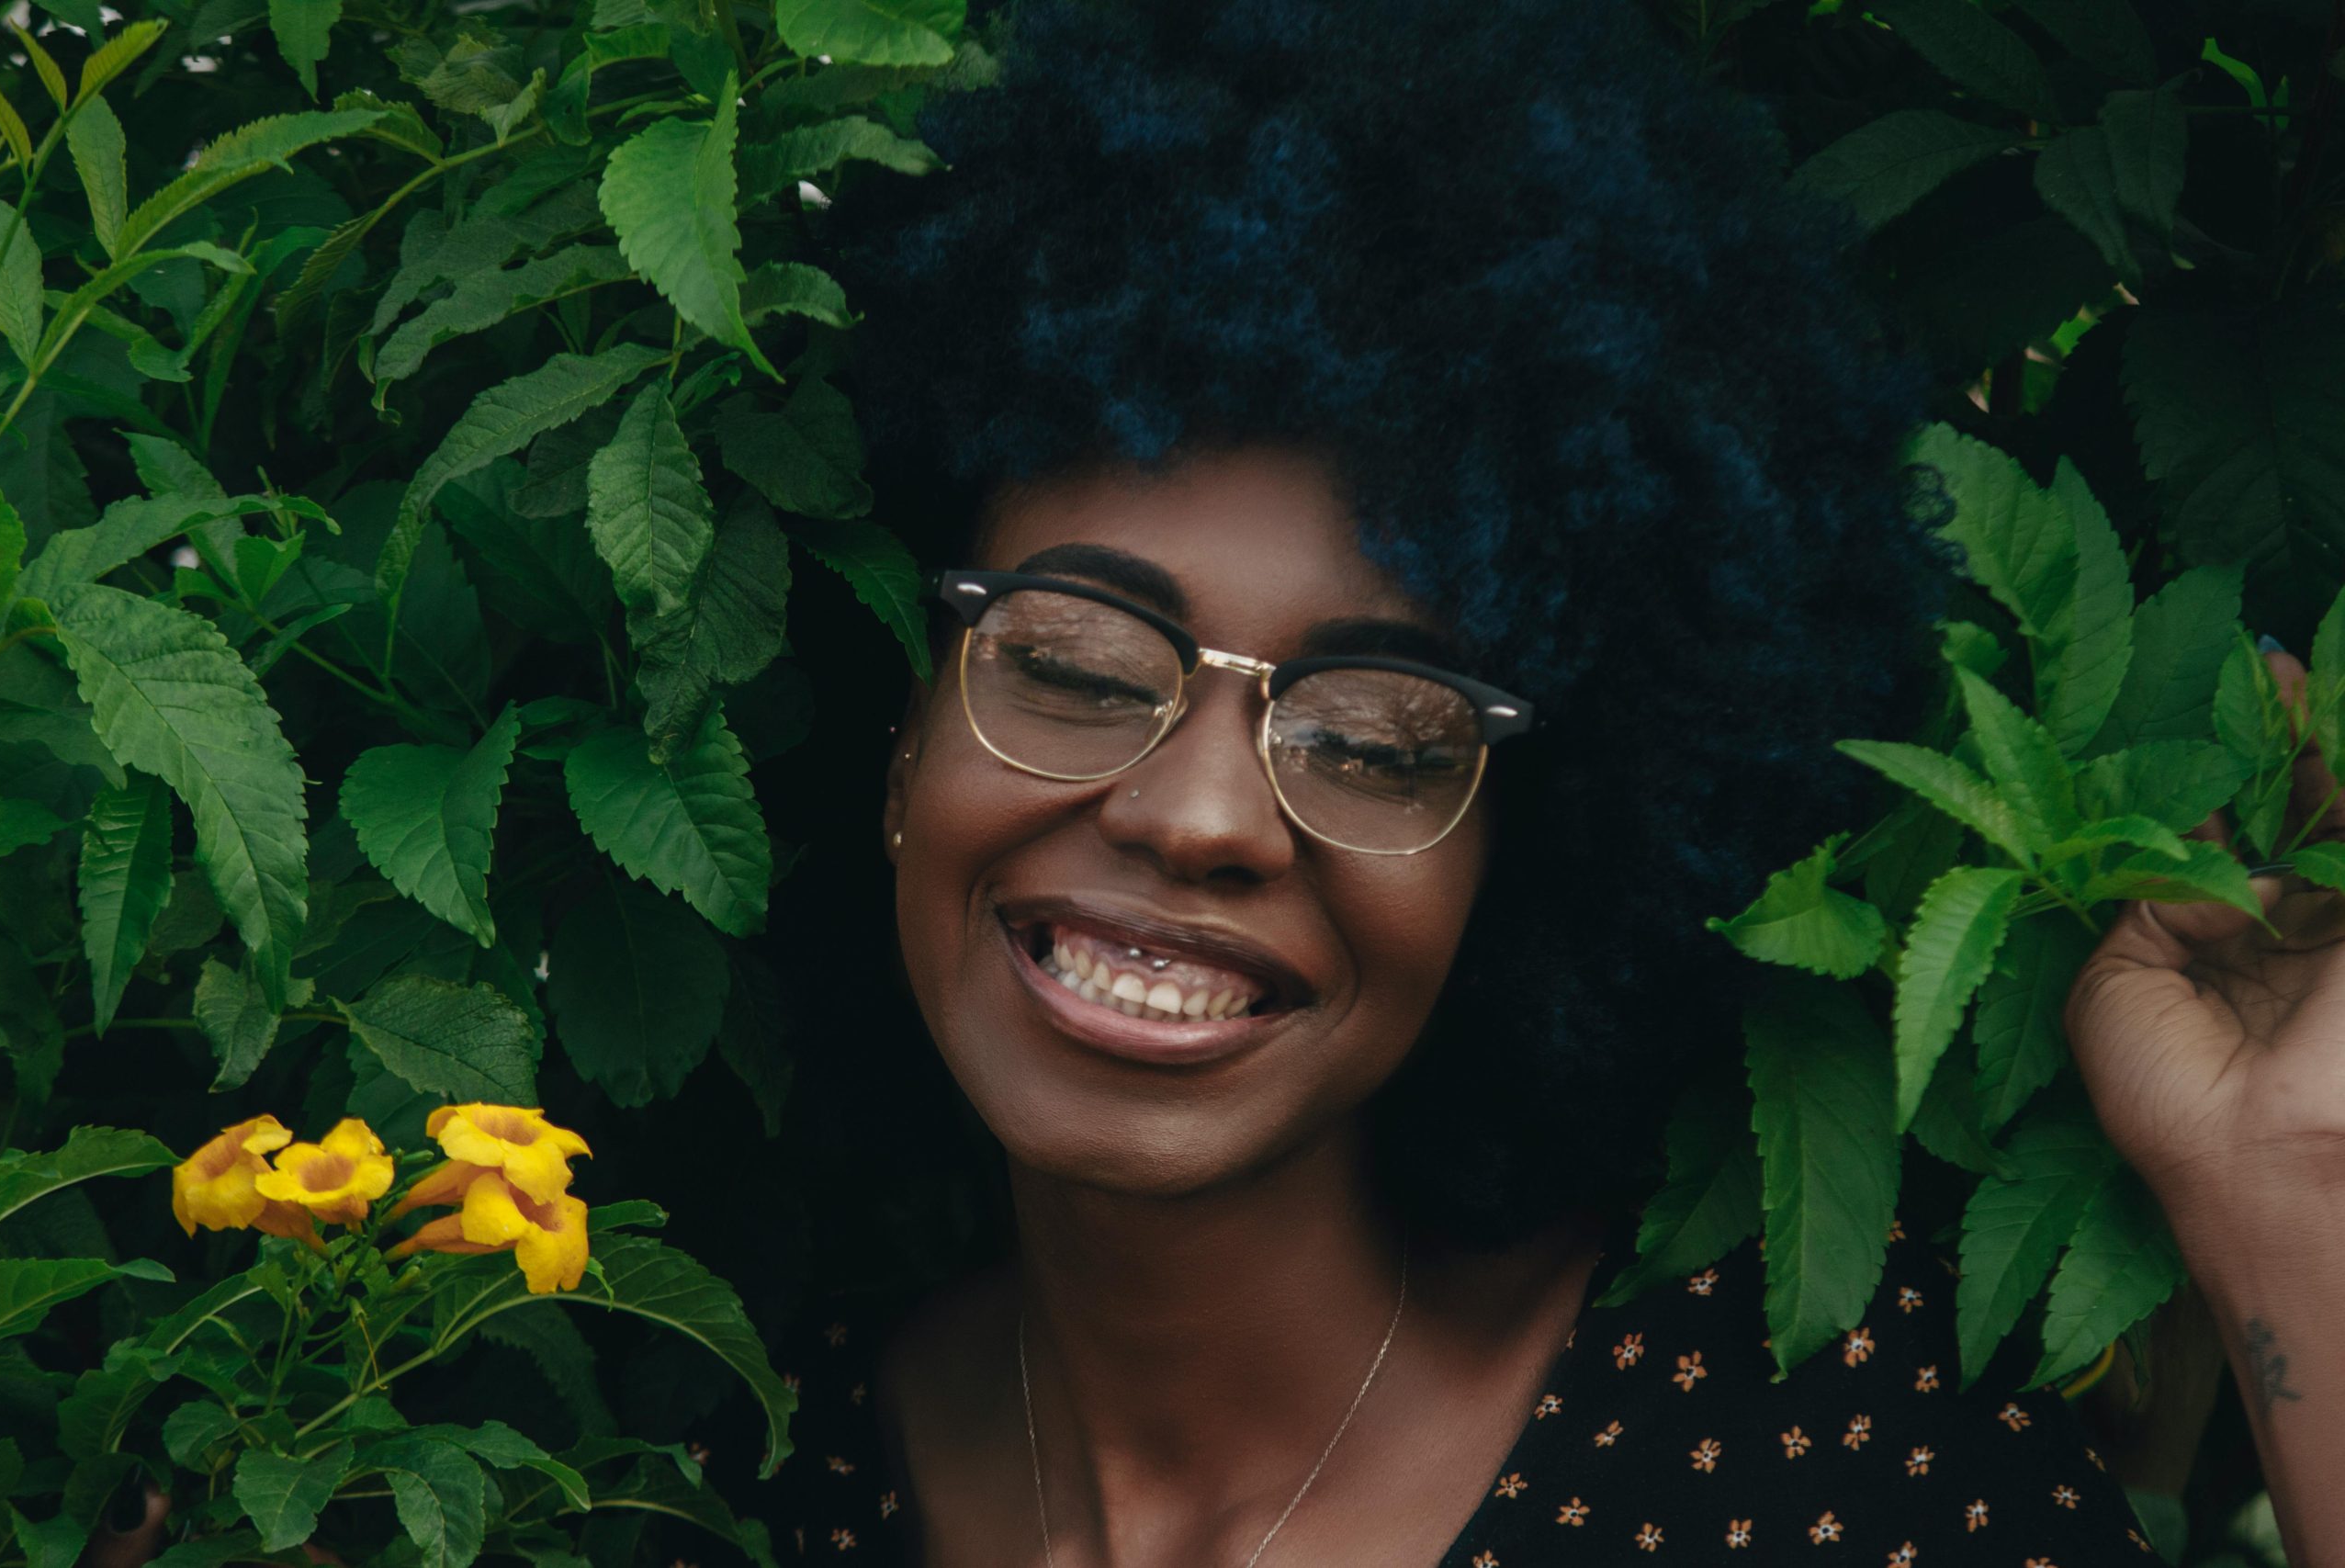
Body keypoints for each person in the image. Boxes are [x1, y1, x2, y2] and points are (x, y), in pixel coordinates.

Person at [765, 0, 2345, 1562]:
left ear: (1521, 855)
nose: (1198, 817)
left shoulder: (1824, 1482)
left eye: (1377, 744)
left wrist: (2282, 1198)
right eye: (1076, 671)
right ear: (899, 728)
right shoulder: (727, 1480)